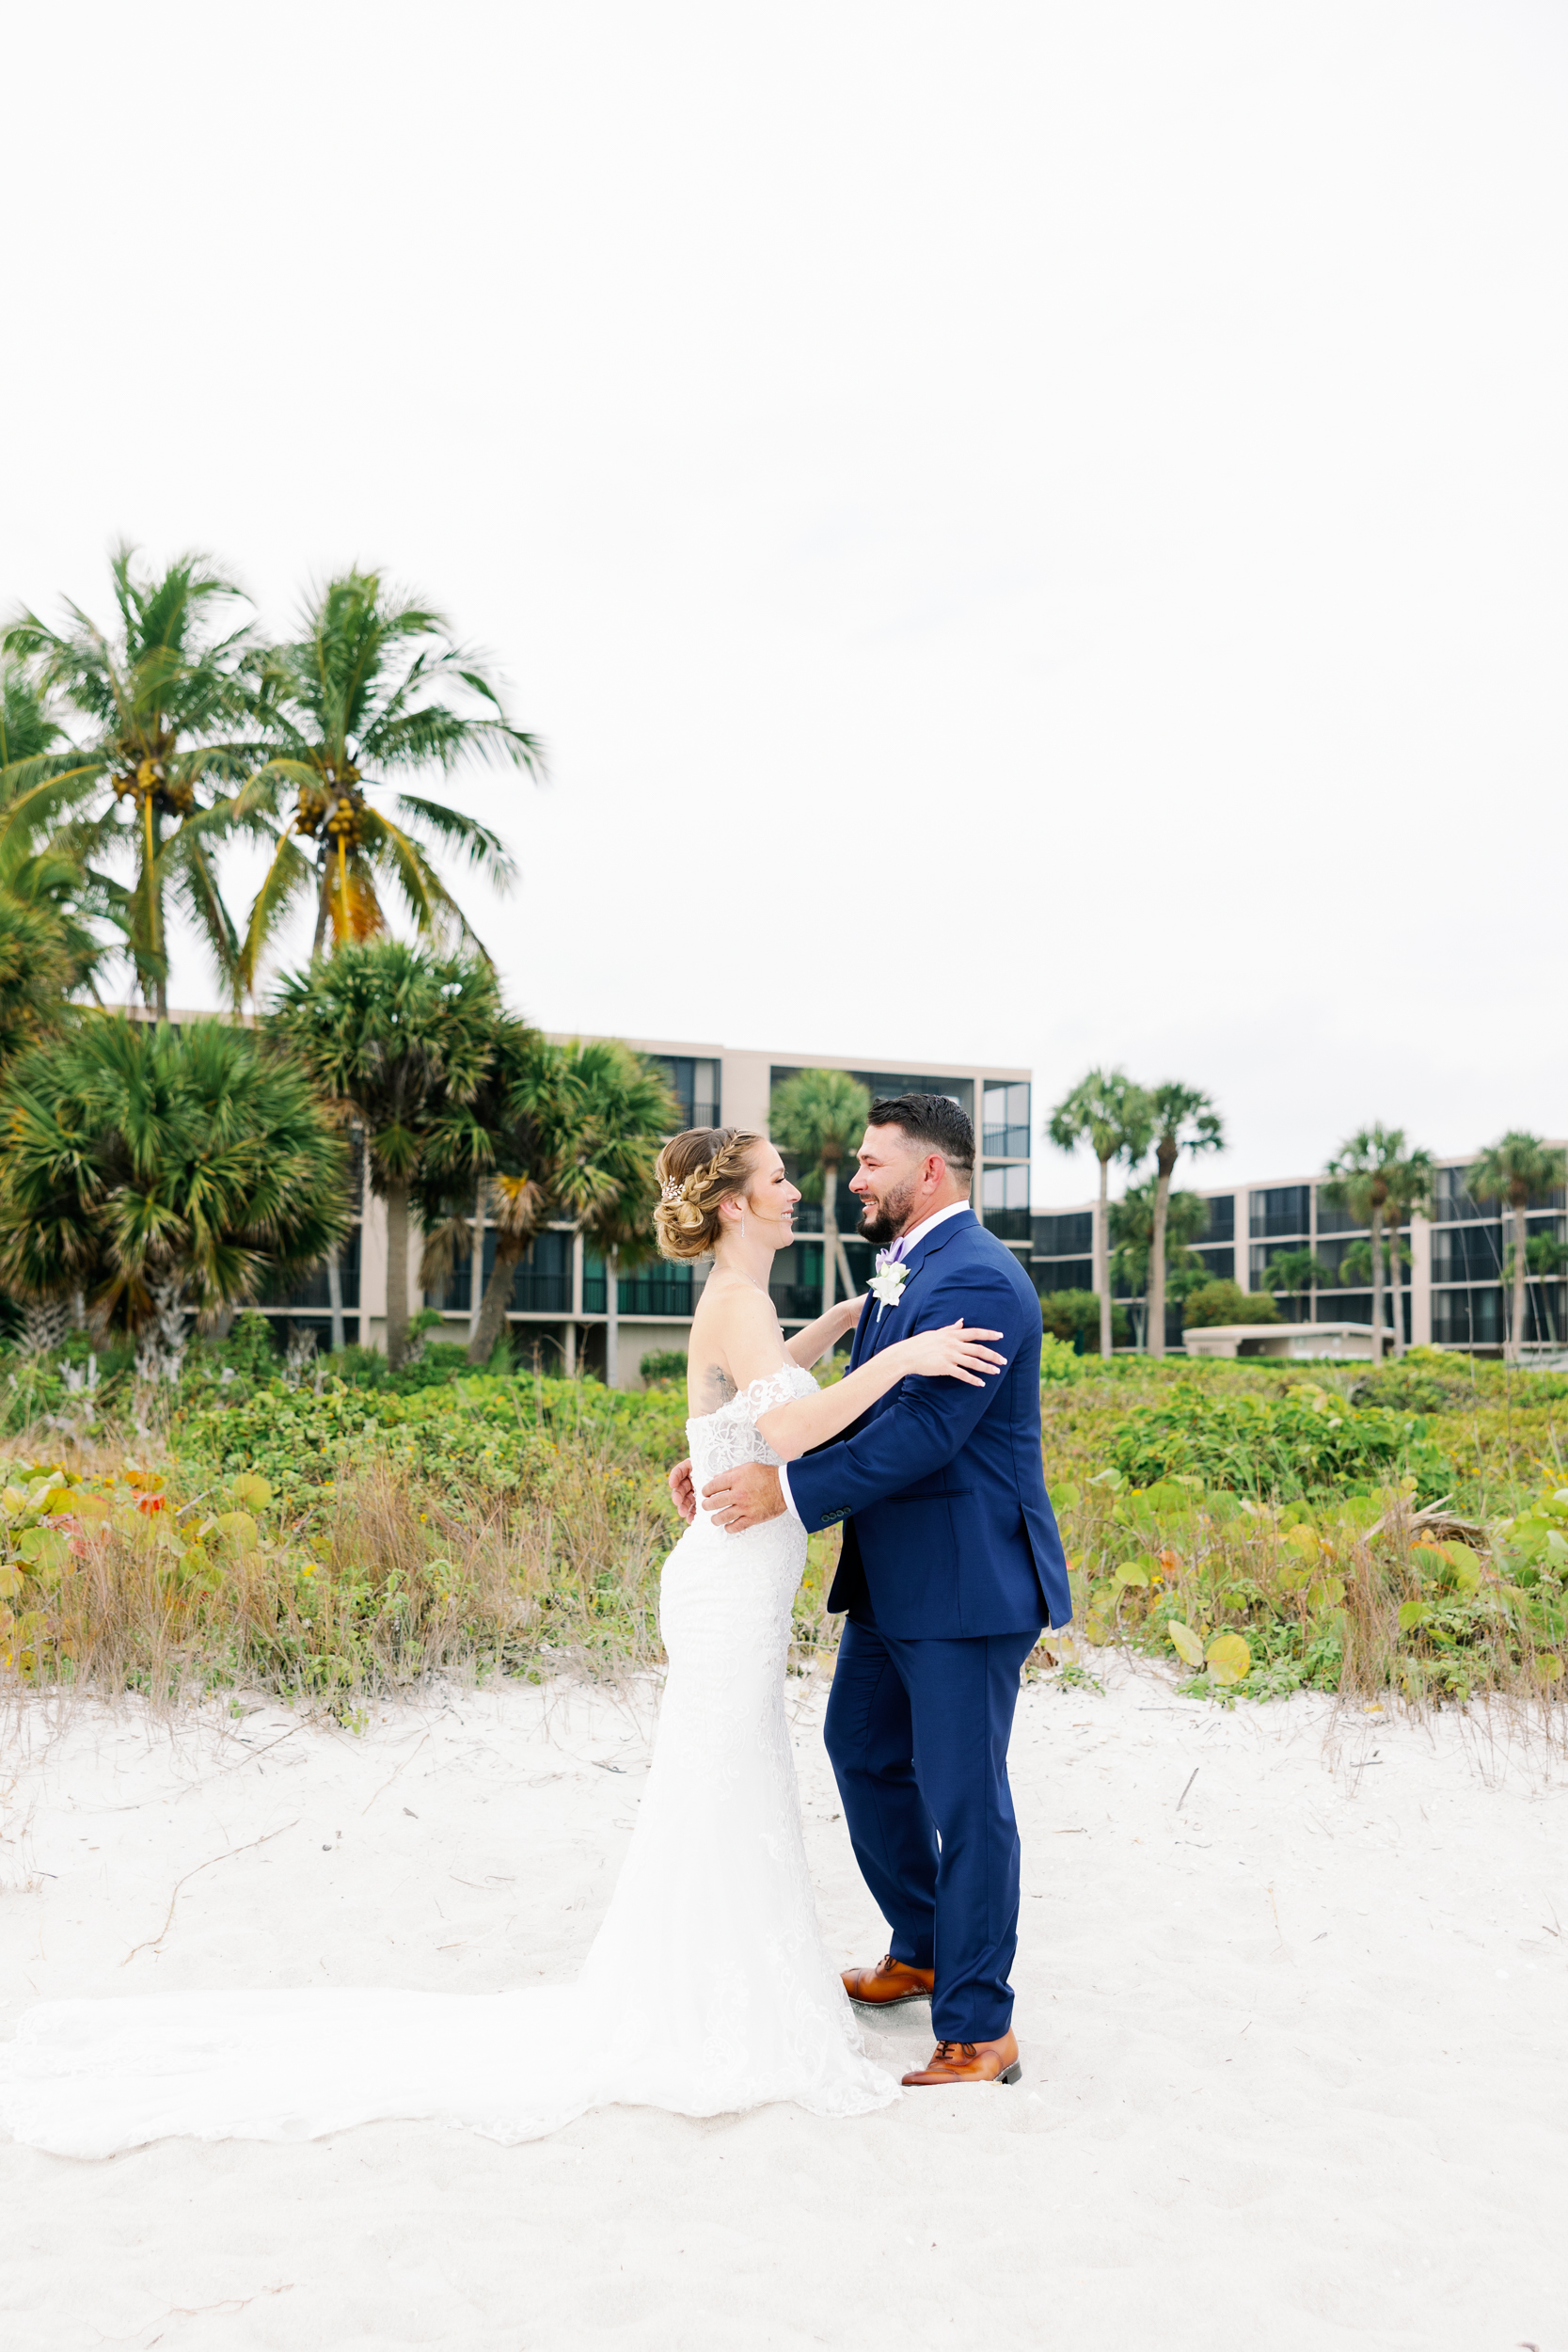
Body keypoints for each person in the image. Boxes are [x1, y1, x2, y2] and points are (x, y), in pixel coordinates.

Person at [0, 1125, 1008, 2157]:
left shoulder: (746, 1309)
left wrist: (836, 1329)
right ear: (739, 1203)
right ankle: (706, 1997)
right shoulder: (738, 1301)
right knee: (722, 1782)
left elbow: (743, 1400)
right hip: (727, 1584)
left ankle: (725, 1975)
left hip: (734, 1574)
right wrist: (906, 1360)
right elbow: (788, 1432)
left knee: (726, 1781)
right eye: (782, 1177)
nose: (803, 1189)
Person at [671, 1094, 1070, 2089]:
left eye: (867, 1163)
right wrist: (736, 1446)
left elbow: (922, 1431)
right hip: (894, 1577)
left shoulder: (974, 1272)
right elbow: (828, 1397)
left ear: (925, 1172)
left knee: (965, 1798)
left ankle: (979, 2026)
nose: (849, 1179)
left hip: (966, 1580)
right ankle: (923, 1943)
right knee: (858, 1749)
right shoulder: (907, 1265)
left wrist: (783, 1488)